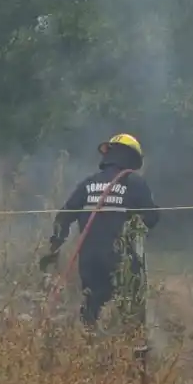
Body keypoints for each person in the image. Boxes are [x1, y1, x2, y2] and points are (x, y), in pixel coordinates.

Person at [40, 133, 160, 330]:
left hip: (90, 262)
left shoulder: (88, 184)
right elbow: (152, 219)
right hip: (122, 261)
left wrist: (55, 245)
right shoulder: (135, 184)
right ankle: (133, 346)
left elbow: (64, 216)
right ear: (132, 158)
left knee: (92, 310)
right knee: (131, 312)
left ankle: (89, 343)